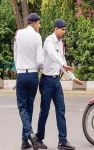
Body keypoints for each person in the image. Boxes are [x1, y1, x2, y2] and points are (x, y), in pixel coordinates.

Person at [35, 19, 84, 150]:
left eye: (64, 30)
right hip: (46, 81)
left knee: (61, 110)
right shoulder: (49, 40)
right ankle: (39, 139)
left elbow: (62, 61)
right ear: (56, 28)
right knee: (44, 111)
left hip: (56, 82)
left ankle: (62, 141)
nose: (64, 32)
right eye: (62, 30)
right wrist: (62, 64)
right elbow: (53, 54)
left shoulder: (61, 43)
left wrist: (73, 78)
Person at [14, 13, 43, 150]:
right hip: (32, 75)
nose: (40, 26)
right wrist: (38, 68)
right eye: (39, 23)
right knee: (29, 106)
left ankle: (29, 135)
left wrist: (19, 67)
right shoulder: (37, 37)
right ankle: (25, 141)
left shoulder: (18, 34)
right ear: (34, 23)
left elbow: (15, 55)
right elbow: (40, 61)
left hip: (21, 74)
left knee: (22, 107)